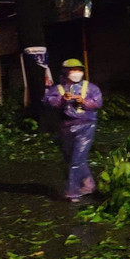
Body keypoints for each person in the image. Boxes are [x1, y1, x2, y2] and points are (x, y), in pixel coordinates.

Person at [42, 58, 103, 202]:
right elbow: (48, 101)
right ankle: (88, 185)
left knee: (77, 159)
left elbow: (98, 103)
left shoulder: (91, 88)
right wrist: (62, 99)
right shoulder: (57, 89)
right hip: (66, 126)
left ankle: (72, 191)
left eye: (79, 70)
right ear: (65, 72)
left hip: (86, 125)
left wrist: (84, 102)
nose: (77, 73)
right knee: (71, 158)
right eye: (73, 70)